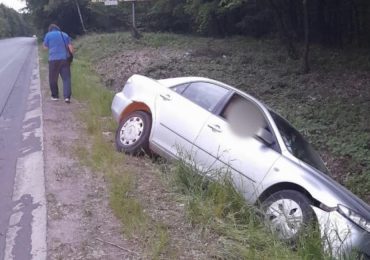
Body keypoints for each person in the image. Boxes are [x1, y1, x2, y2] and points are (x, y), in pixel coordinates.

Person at [43, 24, 73, 103]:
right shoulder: (64, 34)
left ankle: (55, 96)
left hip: (53, 60)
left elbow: (45, 48)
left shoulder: (48, 35)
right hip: (64, 59)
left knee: (53, 78)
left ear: (50, 29)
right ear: (58, 29)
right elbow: (71, 48)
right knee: (66, 79)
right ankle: (67, 97)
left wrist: (52, 46)